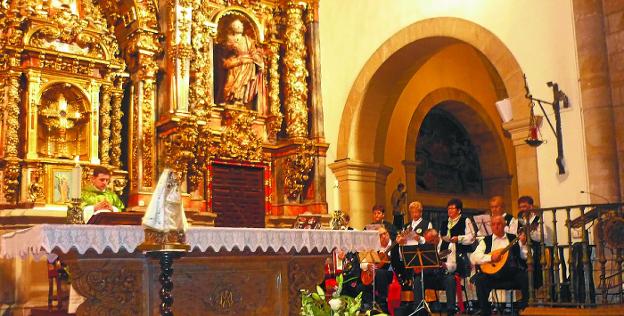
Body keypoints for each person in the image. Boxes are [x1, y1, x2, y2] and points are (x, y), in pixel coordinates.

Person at [470, 215, 529, 316]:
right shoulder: (486, 241)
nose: (496, 226)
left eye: (499, 224)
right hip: (492, 276)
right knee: (480, 280)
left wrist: (523, 244)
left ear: (504, 225)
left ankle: (524, 309)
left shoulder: (513, 239)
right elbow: (473, 258)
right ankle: (486, 312)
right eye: (493, 224)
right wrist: (490, 258)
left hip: (511, 275)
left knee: (525, 276)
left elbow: (524, 257)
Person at [412, 228, 458, 316]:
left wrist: (442, 264)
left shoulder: (449, 245)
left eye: (430, 241)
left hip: (443, 277)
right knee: (418, 280)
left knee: (450, 280)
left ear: (437, 237)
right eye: (427, 242)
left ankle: (451, 310)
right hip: (430, 276)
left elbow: (453, 266)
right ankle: (418, 309)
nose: (428, 244)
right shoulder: (424, 246)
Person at [220, 19, 265, 107]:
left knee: (242, 82)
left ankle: (238, 99)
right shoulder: (230, 37)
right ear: (232, 27)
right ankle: (229, 99)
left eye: (240, 25)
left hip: (247, 64)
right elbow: (224, 50)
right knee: (231, 81)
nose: (239, 27)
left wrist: (260, 63)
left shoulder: (248, 39)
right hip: (236, 63)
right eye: (236, 25)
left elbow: (253, 52)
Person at [360, 227, 395, 313]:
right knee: (360, 286)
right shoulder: (374, 248)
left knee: (379, 273)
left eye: (385, 233)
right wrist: (368, 265)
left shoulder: (395, 246)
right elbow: (362, 263)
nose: (383, 236)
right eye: (380, 235)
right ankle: (370, 304)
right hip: (377, 273)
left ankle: (383, 304)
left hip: (392, 273)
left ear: (388, 234)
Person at [517, 195, 548, 289]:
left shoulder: (538, 220)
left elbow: (544, 237)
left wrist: (529, 234)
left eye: (524, 207)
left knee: (534, 269)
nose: (522, 209)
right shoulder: (519, 220)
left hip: (535, 250)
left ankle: (535, 288)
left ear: (530, 207)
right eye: (521, 207)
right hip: (522, 250)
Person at [439, 198, 475, 277]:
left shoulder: (465, 220)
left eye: (452, 208)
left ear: (459, 210)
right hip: (446, 255)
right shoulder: (444, 223)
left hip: (461, 254)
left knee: (462, 278)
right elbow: (440, 240)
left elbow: (471, 237)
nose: (450, 210)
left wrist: (458, 239)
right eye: (448, 208)